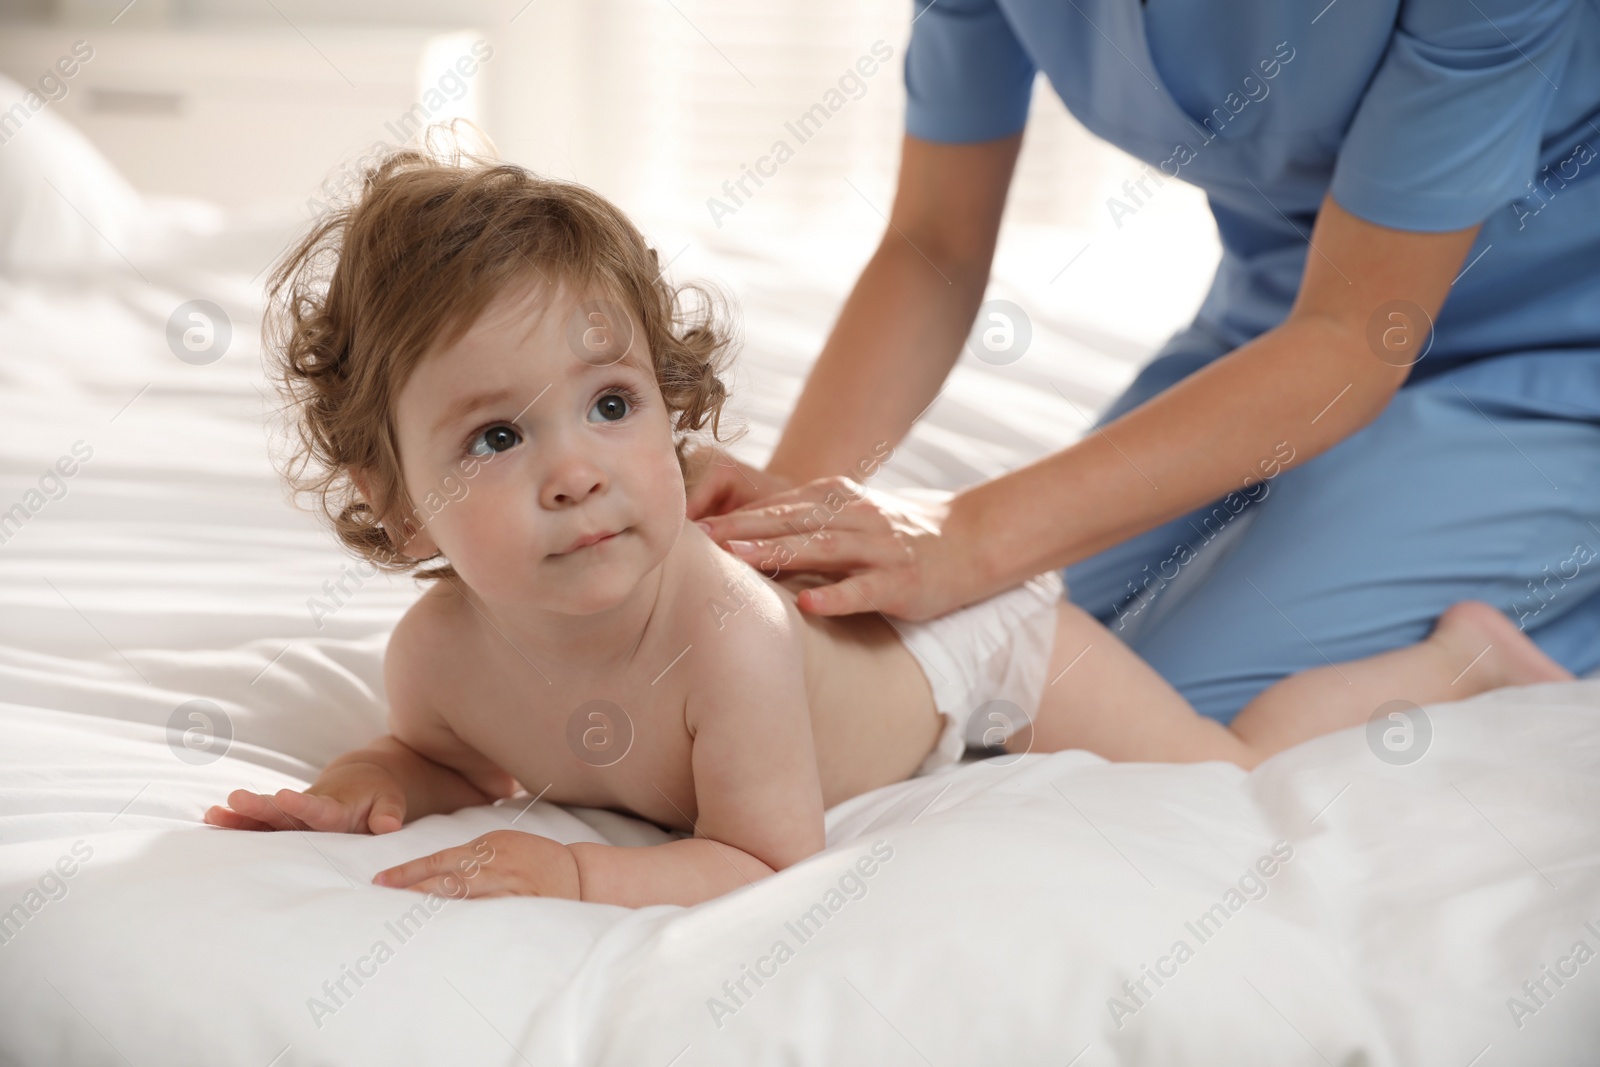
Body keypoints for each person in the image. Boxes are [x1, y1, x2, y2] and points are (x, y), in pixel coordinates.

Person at [203, 146, 1569, 907]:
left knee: (1223, 768)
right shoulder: (436, 653)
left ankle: (1456, 661)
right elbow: (449, 758)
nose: (576, 470)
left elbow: (761, 854)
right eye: (496, 436)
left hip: (966, 641)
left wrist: (567, 870)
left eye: (612, 403)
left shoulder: (717, 628)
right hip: (864, 651)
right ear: (390, 494)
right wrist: (367, 782)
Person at [690, 0, 1600, 724]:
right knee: (970, 661)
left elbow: (1360, 332)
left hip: (1546, 363)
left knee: (1116, 720)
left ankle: (1472, 661)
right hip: (1276, 329)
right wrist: (774, 547)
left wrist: (964, 535)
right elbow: (936, 245)